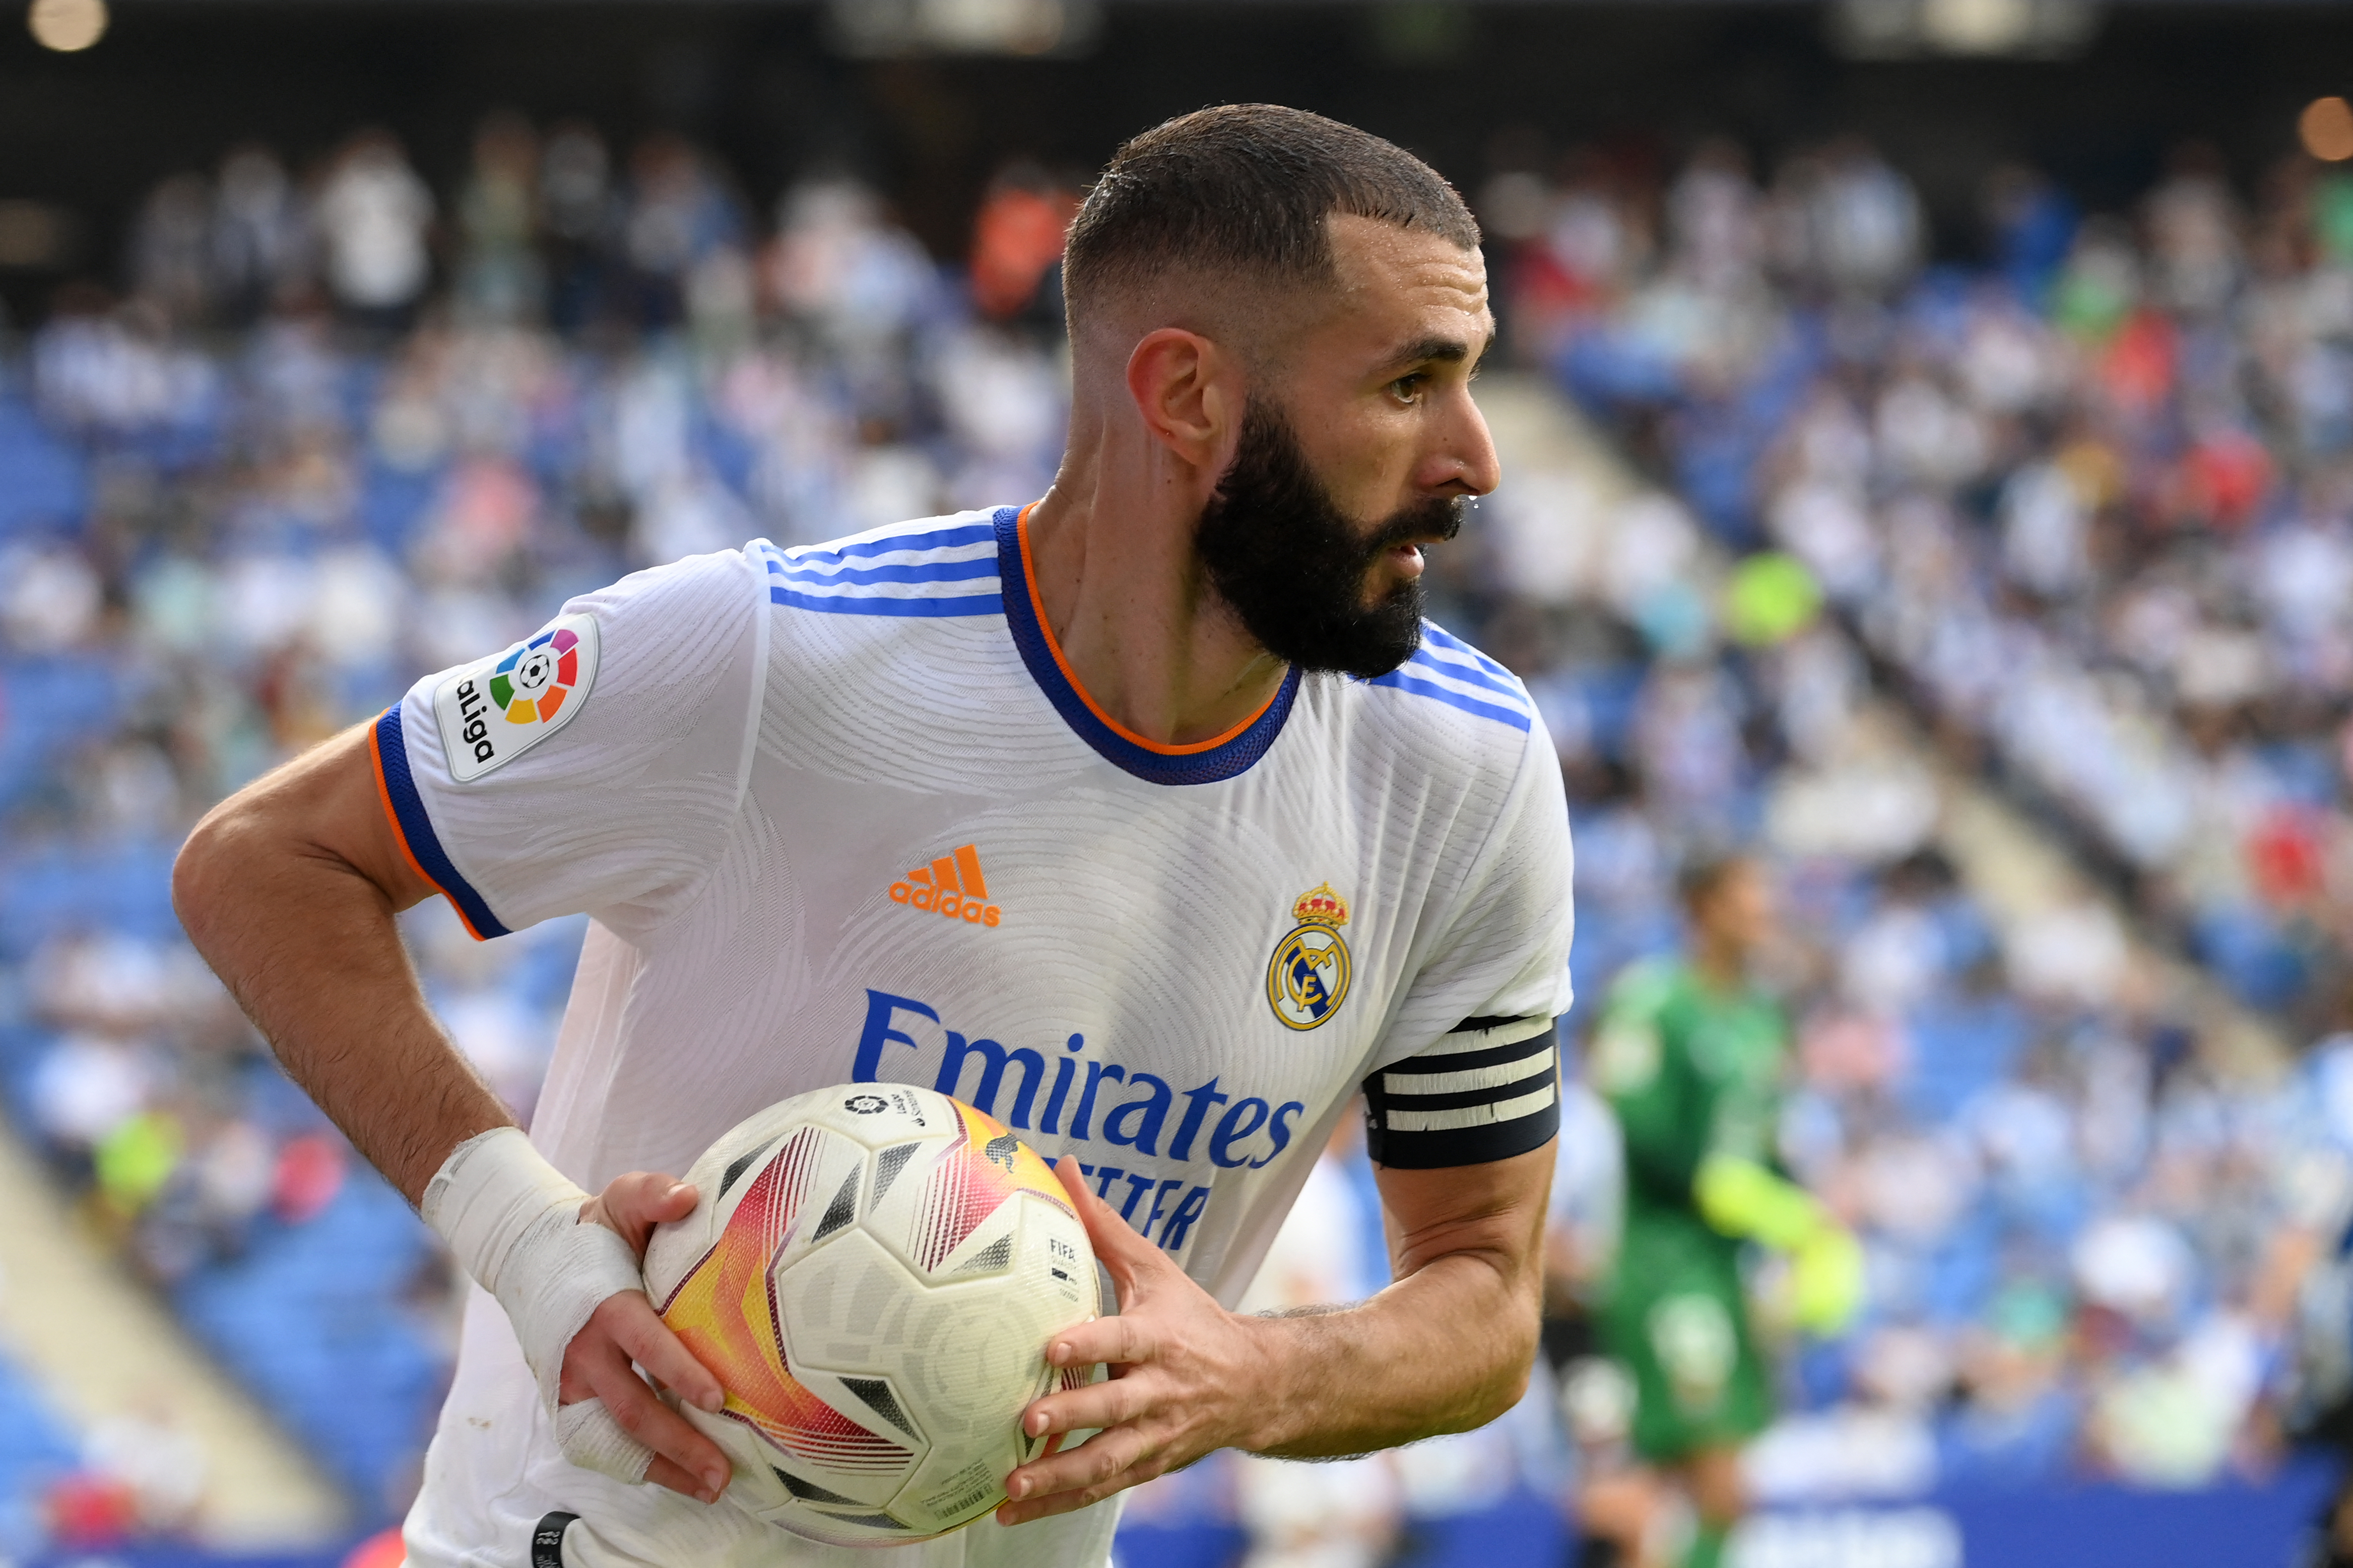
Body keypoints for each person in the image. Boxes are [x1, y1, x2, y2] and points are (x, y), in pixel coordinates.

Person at [174, 105, 1575, 1568]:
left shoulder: (1462, 776)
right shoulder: (762, 656)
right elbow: (262, 860)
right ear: (1185, 394)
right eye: (1412, 385)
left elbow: (1481, 1292)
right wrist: (529, 1242)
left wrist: (1255, 1373)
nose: (1474, 456)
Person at [1584, 855, 1861, 1568]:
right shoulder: (1655, 1005)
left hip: (1723, 1269)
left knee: (1680, 1495)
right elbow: (1641, 1130)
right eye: (1749, 896)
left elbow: (1766, 1147)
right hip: (1664, 1264)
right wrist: (1718, 1184)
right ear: (1702, 905)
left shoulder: (1762, 1020)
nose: (1765, 910)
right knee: (1714, 1484)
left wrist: (1797, 1221)